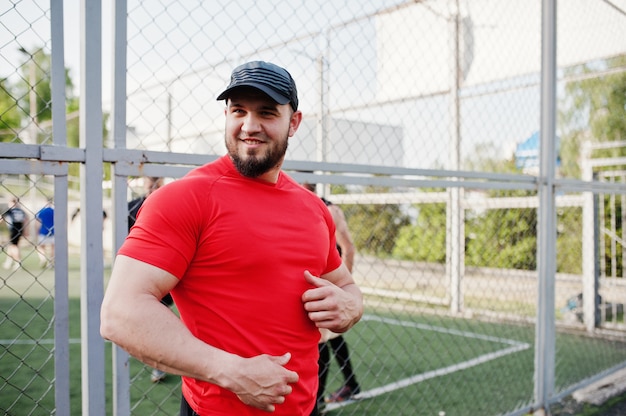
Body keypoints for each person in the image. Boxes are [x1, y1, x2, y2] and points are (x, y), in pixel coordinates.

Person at [100, 60, 363, 416]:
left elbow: (345, 285)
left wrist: (351, 306)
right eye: (238, 110)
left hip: (305, 409)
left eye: (267, 112)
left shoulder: (313, 209)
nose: (249, 126)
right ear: (226, 114)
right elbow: (120, 313)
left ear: (294, 122)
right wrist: (231, 372)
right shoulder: (185, 198)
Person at [302, 183, 361, 414]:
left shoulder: (323, 209)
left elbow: (348, 248)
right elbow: (349, 248)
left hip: (321, 280)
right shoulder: (327, 208)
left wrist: (343, 285)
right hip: (321, 280)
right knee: (332, 337)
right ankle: (350, 383)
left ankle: (316, 401)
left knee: (323, 341)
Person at [127, 176, 172, 383]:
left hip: (168, 268)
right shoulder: (132, 206)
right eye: (149, 180)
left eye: (156, 180)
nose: (152, 183)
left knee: (163, 316)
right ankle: (156, 362)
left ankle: (161, 364)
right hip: (139, 268)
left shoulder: (171, 202)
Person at [2, 197, 28, 270]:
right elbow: (26, 219)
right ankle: (8, 262)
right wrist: (26, 230)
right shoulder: (20, 211)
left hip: (13, 230)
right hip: (20, 229)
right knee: (11, 246)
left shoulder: (10, 211)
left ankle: (18, 262)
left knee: (14, 246)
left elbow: (2, 218)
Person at [35, 199, 55, 268]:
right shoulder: (54, 211)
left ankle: (43, 258)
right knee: (53, 247)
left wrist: (37, 231)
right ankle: (50, 262)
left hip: (43, 231)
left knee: (40, 246)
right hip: (53, 231)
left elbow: (37, 222)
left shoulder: (42, 211)